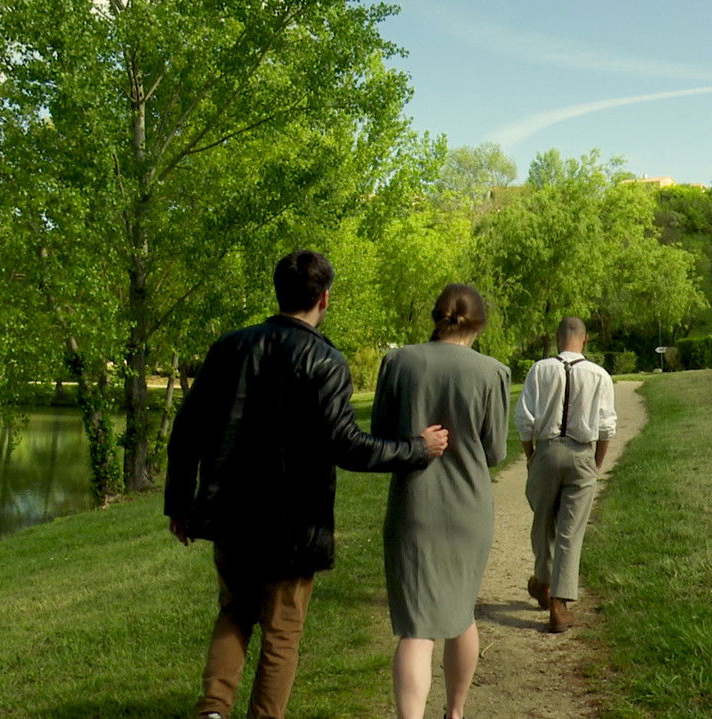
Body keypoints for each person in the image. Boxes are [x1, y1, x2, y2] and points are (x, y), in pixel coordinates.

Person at [164, 250, 450, 719]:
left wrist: (180, 504)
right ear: (325, 298)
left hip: (231, 513)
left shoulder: (230, 347)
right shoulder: (325, 360)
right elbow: (348, 445)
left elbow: (187, 431)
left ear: (279, 291)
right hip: (294, 522)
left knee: (234, 612)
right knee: (282, 633)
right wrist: (417, 449)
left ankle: (213, 710)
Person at [372, 284, 510, 719]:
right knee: (461, 612)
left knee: (417, 626)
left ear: (436, 317)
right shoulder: (493, 372)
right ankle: (455, 712)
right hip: (469, 510)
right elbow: (495, 452)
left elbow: (381, 436)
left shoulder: (398, 362)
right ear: (479, 325)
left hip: (414, 508)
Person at [514, 316, 616, 633]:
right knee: (571, 531)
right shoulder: (599, 375)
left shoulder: (539, 370)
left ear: (558, 338)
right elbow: (606, 427)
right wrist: (595, 463)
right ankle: (559, 603)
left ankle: (543, 581)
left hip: (546, 451)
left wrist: (531, 456)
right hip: (582, 453)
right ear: (585, 340)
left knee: (543, 519)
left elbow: (524, 420)